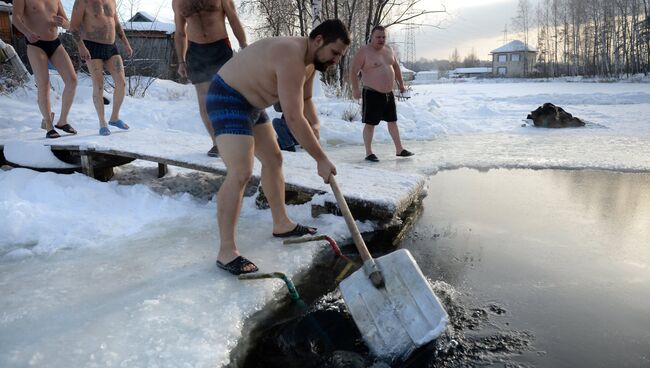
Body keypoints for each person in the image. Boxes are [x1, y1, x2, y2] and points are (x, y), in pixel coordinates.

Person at [206, 19, 350, 275]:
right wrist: (320, 158)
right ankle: (226, 251)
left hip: (252, 103)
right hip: (227, 97)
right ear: (318, 41)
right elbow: (293, 117)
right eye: (335, 52)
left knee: (274, 161)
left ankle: (281, 222)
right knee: (241, 172)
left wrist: (314, 123)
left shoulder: (310, 63)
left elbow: (304, 100)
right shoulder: (290, 54)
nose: (336, 60)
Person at [172, 0, 247, 157]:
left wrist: (244, 45)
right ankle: (217, 143)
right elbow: (180, 32)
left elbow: (233, 18)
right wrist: (181, 61)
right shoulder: (177, 1)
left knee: (227, 96)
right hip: (196, 51)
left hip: (220, 47)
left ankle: (235, 138)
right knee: (205, 100)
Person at [12, 0, 78, 139]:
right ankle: (49, 125)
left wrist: (63, 23)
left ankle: (62, 121)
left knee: (72, 81)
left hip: (55, 43)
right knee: (44, 84)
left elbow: (68, 23)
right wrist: (27, 32)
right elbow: (15, 18)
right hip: (35, 44)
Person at [349, 25, 414, 162]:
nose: (381, 39)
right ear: (371, 37)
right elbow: (353, 70)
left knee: (393, 121)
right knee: (370, 123)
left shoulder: (389, 50)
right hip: (372, 93)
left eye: (383, 37)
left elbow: (395, 67)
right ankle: (368, 152)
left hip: (388, 94)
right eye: (378, 37)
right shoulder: (364, 52)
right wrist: (355, 89)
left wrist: (401, 83)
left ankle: (399, 149)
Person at [70, 0, 133, 136]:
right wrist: (81, 46)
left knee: (121, 82)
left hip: (111, 47)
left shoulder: (111, 1)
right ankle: (102, 123)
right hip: (91, 46)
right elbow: (73, 26)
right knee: (99, 85)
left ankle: (114, 118)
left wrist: (126, 43)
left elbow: (115, 23)